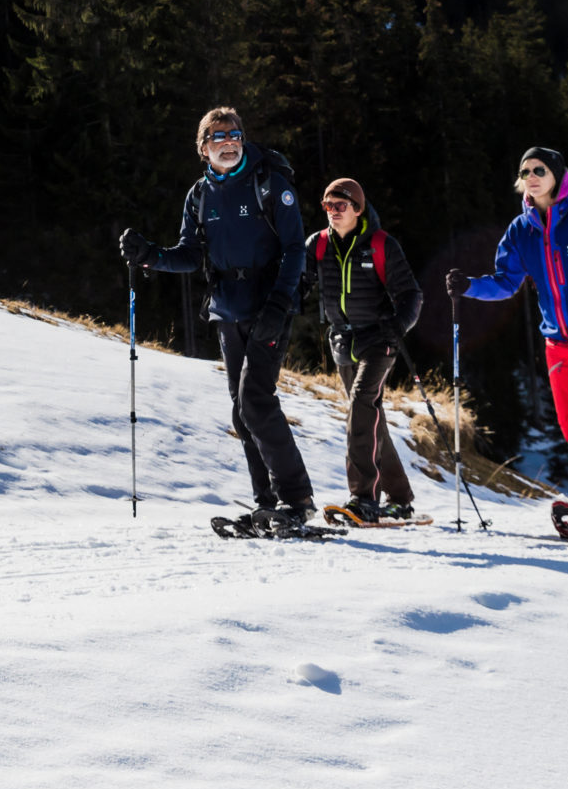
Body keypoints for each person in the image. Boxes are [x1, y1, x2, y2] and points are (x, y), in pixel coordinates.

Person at [121, 106, 317, 535]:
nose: (229, 142)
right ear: (203, 147)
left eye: (235, 134)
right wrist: (150, 255)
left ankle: (297, 500)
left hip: (270, 306)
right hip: (228, 310)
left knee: (255, 400)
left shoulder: (269, 183)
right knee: (241, 410)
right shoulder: (200, 195)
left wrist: (279, 303)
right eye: (218, 136)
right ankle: (267, 503)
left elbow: (295, 249)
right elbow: (190, 254)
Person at [449, 146, 568, 535]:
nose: (532, 176)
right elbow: (505, 283)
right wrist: (469, 287)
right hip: (559, 346)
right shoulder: (520, 232)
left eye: (540, 169)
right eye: (525, 171)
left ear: (558, 175)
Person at [311, 177, 424, 523]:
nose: (333, 212)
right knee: (371, 419)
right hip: (343, 342)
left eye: (340, 206)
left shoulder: (379, 244)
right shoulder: (317, 245)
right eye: (328, 206)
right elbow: (295, 279)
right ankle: (400, 498)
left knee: (361, 406)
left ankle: (363, 498)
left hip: (380, 340)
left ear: (358, 209)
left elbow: (411, 295)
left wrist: (398, 326)